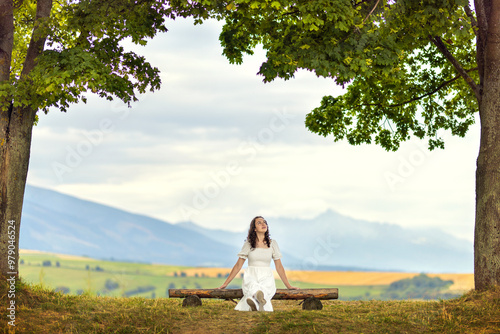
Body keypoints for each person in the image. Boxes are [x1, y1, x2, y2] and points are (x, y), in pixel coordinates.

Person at [217, 216, 299, 311]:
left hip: (266, 275)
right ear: (254, 229)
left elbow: (279, 267)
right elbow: (238, 265)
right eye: (259, 223)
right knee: (253, 286)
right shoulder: (248, 244)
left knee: (263, 288)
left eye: (264, 222)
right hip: (251, 275)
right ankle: (259, 302)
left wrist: (288, 286)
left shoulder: (273, 244)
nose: (263, 224)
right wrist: (225, 284)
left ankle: (255, 302)